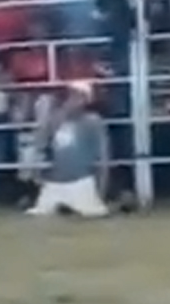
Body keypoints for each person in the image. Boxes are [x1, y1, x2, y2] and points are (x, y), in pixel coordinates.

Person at [25, 81, 109, 218]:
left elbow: (103, 157)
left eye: (77, 97)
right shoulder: (55, 119)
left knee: (93, 214)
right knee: (38, 216)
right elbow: (41, 142)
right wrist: (60, 114)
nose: (72, 100)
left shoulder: (93, 121)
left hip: (81, 181)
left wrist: (101, 189)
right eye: (70, 96)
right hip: (54, 182)